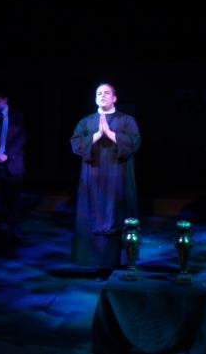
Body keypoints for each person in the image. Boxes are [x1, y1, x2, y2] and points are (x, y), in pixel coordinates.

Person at [70, 83, 141, 280]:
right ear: (95, 98)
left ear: (114, 98)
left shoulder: (127, 120)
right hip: (93, 177)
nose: (102, 96)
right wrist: (96, 136)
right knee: (93, 214)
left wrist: (110, 134)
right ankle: (99, 264)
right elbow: (76, 144)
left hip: (118, 176)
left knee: (118, 214)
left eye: (106, 93)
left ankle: (123, 261)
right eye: (99, 93)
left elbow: (134, 142)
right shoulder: (86, 121)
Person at [0, 91, 27, 243]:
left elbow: (22, 137)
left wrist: (7, 154)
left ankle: (14, 230)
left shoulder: (17, 116)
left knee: (13, 201)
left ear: (5, 99)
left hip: (12, 164)